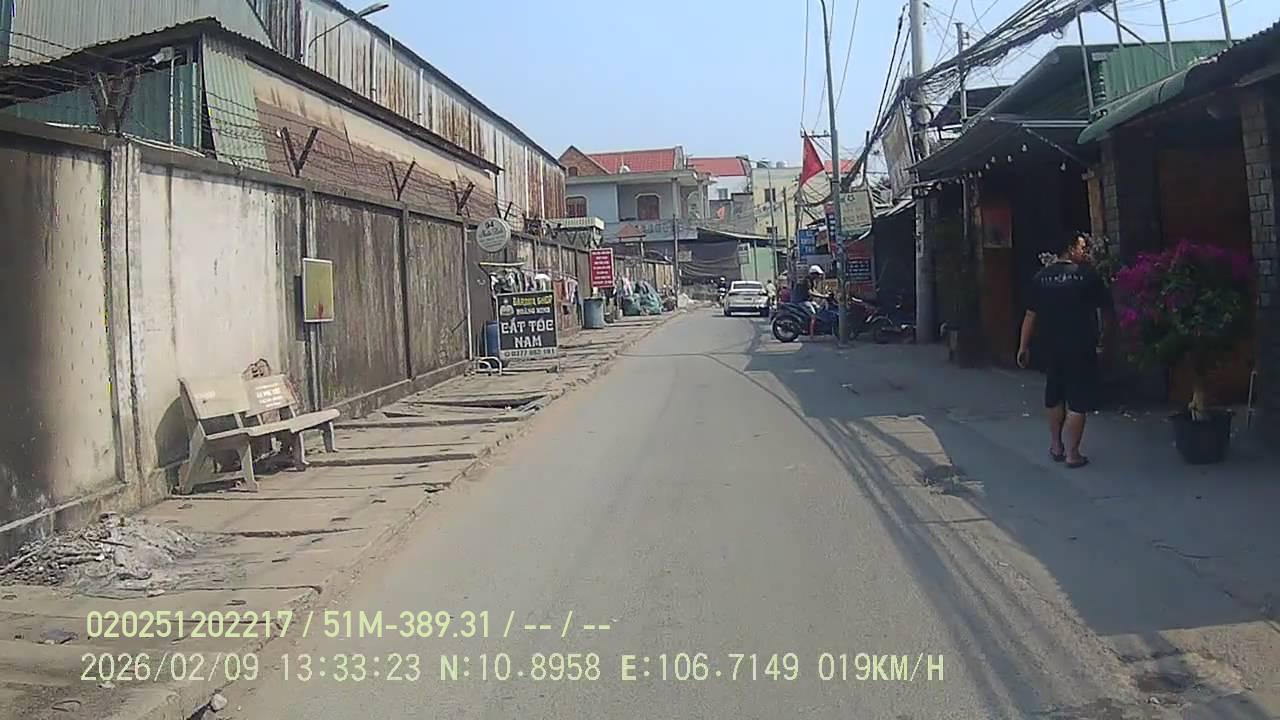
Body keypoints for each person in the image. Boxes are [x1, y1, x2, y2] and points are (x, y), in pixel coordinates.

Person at [1017, 232, 1113, 469]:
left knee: (1055, 395)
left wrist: (1023, 346)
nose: (1084, 251)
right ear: (1071, 248)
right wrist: (1106, 339)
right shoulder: (1087, 276)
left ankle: (1056, 445)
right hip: (1080, 346)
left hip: (1050, 346)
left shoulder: (1041, 277)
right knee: (1078, 400)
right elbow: (1106, 311)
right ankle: (1073, 453)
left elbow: (1030, 315)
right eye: (1082, 247)